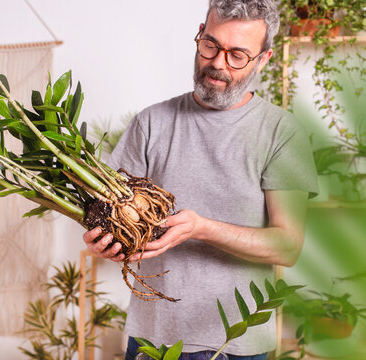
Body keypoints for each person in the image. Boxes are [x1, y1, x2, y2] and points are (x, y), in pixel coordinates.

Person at [83, 1, 319, 359]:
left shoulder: (281, 132)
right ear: (200, 33)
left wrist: (201, 228)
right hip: (151, 341)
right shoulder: (151, 123)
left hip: (236, 347)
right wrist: (103, 242)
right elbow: (114, 215)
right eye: (211, 44)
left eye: (238, 55)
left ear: (264, 58)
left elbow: (287, 246)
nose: (218, 63)